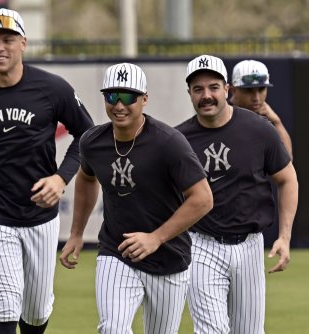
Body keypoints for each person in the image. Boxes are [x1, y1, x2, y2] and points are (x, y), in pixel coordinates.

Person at [0, 8, 95, 334]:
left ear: (23, 43)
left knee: (37, 312)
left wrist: (60, 177)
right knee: (5, 305)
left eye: (8, 40)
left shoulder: (52, 88)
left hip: (39, 213)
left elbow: (88, 134)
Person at [58, 63, 213, 334]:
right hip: (116, 252)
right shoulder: (92, 141)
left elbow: (202, 199)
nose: (119, 104)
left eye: (128, 96)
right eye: (111, 96)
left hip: (169, 258)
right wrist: (76, 233)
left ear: (144, 99)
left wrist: (155, 238)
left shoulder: (169, 142)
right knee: (112, 328)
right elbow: (86, 177)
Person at [176, 54, 299, 334]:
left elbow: (288, 178)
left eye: (213, 87)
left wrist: (285, 236)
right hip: (201, 245)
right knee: (212, 331)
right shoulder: (178, 140)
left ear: (227, 90)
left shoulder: (259, 129)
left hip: (250, 246)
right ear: (190, 94)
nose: (206, 96)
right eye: (198, 89)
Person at [230, 59, 293, 156]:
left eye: (261, 89)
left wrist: (277, 122)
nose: (256, 98)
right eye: (249, 90)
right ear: (233, 90)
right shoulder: (221, 116)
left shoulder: (268, 118)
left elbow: (287, 159)